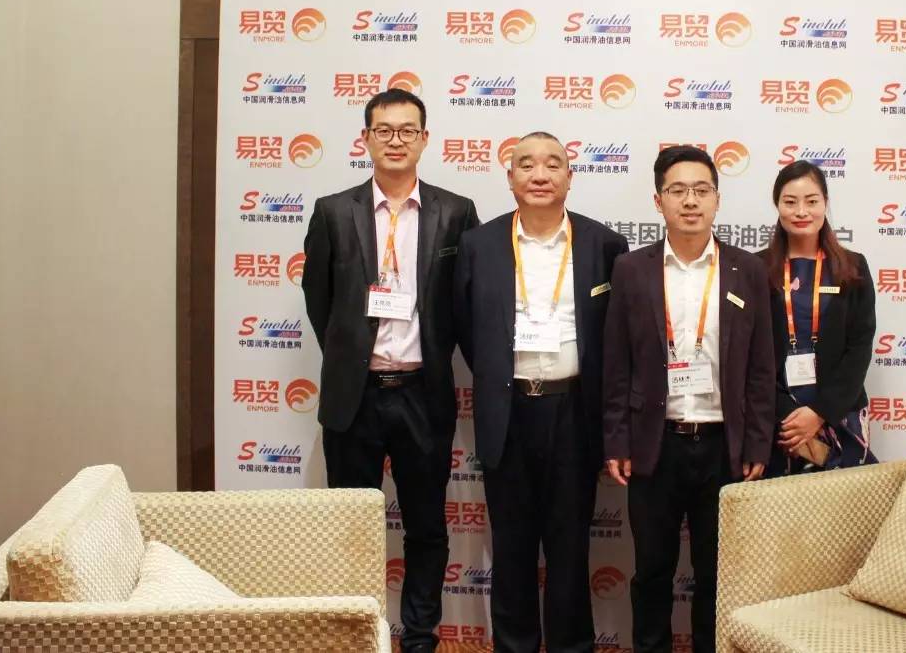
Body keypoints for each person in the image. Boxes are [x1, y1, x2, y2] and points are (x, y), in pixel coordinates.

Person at [300, 89, 480, 653]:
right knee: (350, 527)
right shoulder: (333, 211)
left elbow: (467, 302)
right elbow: (319, 301)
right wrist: (353, 355)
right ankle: (357, 636)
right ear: (366, 138)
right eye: (384, 130)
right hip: (355, 396)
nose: (395, 140)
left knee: (426, 527)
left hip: (423, 393)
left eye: (407, 130)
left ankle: (419, 638)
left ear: (425, 139)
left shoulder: (456, 212)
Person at [452, 131, 628, 653]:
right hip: (508, 412)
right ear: (510, 178)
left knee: (570, 551)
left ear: (570, 177)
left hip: (574, 412)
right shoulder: (479, 244)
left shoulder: (603, 245)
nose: (540, 174)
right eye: (526, 164)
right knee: (511, 550)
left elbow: (615, 338)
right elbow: (466, 328)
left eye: (553, 164)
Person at [602, 145, 776, 653]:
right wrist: (617, 440)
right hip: (655, 446)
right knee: (651, 571)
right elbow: (617, 365)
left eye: (701, 190)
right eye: (678, 190)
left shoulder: (748, 270)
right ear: (658, 201)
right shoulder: (631, 270)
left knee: (716, 575)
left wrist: (758, 444)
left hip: (724, 447)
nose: (690, 201)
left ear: (717, 199)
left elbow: (762, 368)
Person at [757, 160, 877, 476]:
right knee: (780, 504)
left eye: (811, 201)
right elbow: (752, 353)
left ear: (825, 203)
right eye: (790, 202)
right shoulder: (756, 269)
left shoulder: (853, 267)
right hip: (780, 422)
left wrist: (820, 412)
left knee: (844, 503)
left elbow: (860, 347)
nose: (801, 211)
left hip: (841, 414)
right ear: (777, 205)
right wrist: (788, 414)